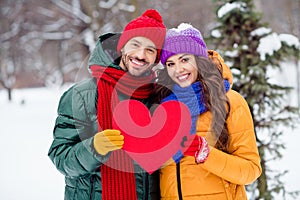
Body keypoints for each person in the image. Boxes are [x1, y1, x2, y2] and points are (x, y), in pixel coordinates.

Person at [48, 9, 166, 200]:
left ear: (155, 59)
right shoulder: (81, 95)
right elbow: (61, 158)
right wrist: (93, 148)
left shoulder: (157, 98)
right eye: (135, 44)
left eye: (150, 50)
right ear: (122, 47)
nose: (141, 55)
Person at [151, 23, 262, 200]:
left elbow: (250, 171)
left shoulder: (230, 102)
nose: (178, 70)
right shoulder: (162, 105)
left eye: (184, 60)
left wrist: (207, 155)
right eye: (171, 63)